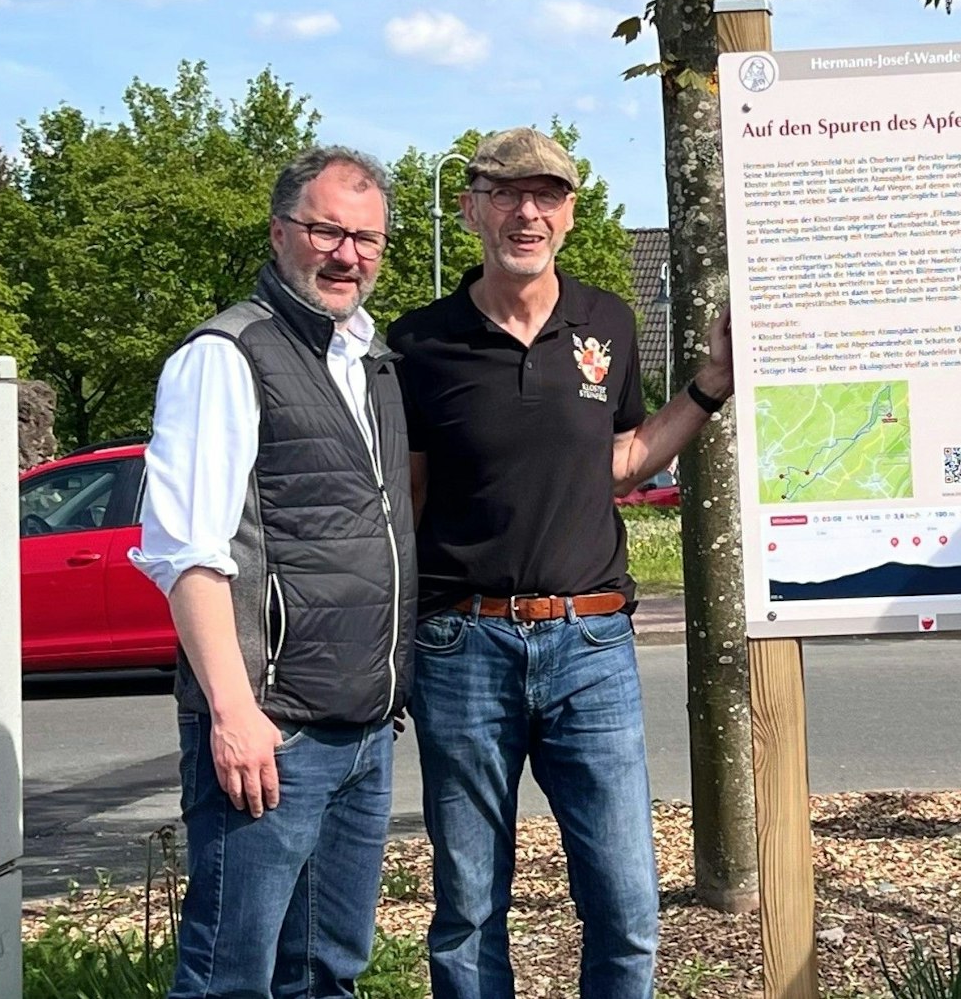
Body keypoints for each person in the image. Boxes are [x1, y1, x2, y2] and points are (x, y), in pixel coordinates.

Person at [386, 126, 733, 999]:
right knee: (468, 908)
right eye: (505, 193)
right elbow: (410, 499)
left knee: (625, 904)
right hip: (463, 644)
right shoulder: (419, 341)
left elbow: (616, 460)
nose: (526, 211)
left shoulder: (607, 321)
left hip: (591, 643)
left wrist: (710, 386)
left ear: (571, 214)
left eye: (546, 195)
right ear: (472, 209)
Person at [131, 145, 417, 999]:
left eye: (367, 238)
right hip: (273, 734)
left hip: (363, 730)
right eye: (327, 230)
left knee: (328, 973)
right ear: (280, 230)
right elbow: (186, 553)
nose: (348, 255)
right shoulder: (226, 355)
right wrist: (233, 713)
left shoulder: (369, 360)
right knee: (231, 979)